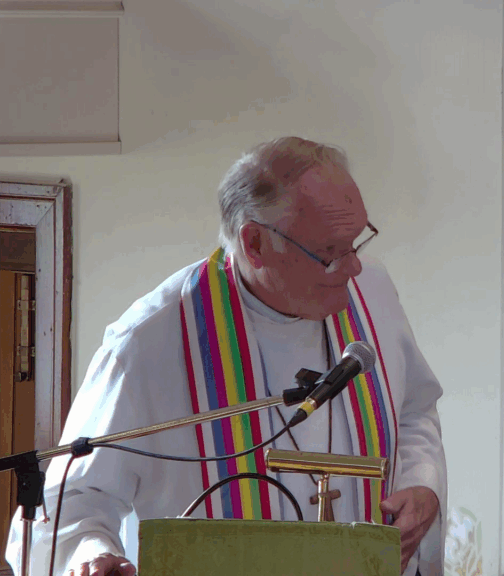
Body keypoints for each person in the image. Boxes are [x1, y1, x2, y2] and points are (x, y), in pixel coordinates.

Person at [5, 137, 447, 576]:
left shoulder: (372, 293)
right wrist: (92, 555)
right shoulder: (149, 342)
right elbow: (74, 500)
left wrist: (421, 483)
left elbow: (414, 409)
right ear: (254, 243)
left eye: (356, 241)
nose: (353, 266)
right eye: (330, 252)